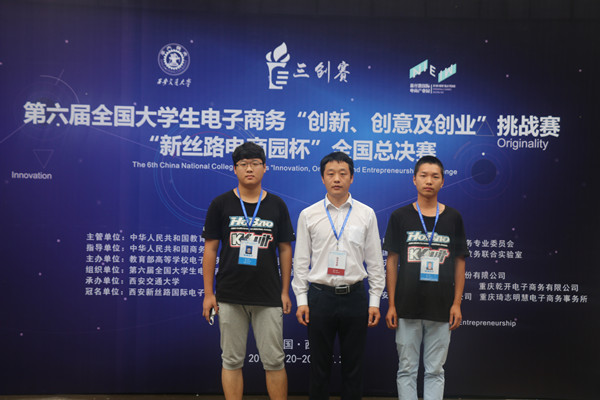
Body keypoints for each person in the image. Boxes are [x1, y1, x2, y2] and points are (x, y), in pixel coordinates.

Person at [202, 142, 295, 400]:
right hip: (229, 295)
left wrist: (284, 291)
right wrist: (209, 294)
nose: (249, 169)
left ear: (265, 168)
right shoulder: (221, 204)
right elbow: (210, 250)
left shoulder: (277, 205)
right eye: (243, 164)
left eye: (255, 163)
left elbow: (285, 249)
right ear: (235, 169)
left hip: (268, 295)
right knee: (231, 360)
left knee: (274, 360)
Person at [292, 151, 385, 400]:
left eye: (343, 174)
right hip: (319, 297)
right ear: (322, 178)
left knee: (354, 367)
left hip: (355, 297)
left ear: (351, 178)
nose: (336, 179)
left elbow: (375, 261)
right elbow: (300, 261)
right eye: (331, 173)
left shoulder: (366, 214)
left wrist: (374, 301)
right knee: (319, 367)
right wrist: (302, 300)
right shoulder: (308, 215)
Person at [383, 155, 469, 400]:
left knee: (435, 371)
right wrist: (391, 304)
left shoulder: (453, 218)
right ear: (414, 179)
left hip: (441, 307)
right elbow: (392, 261)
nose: (429, 181)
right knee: (406, 369)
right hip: (406, 306)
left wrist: (456, 303)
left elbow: (460, 261)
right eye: (423, 175)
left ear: (443, 181)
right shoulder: (400, 216)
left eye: (435, 176)